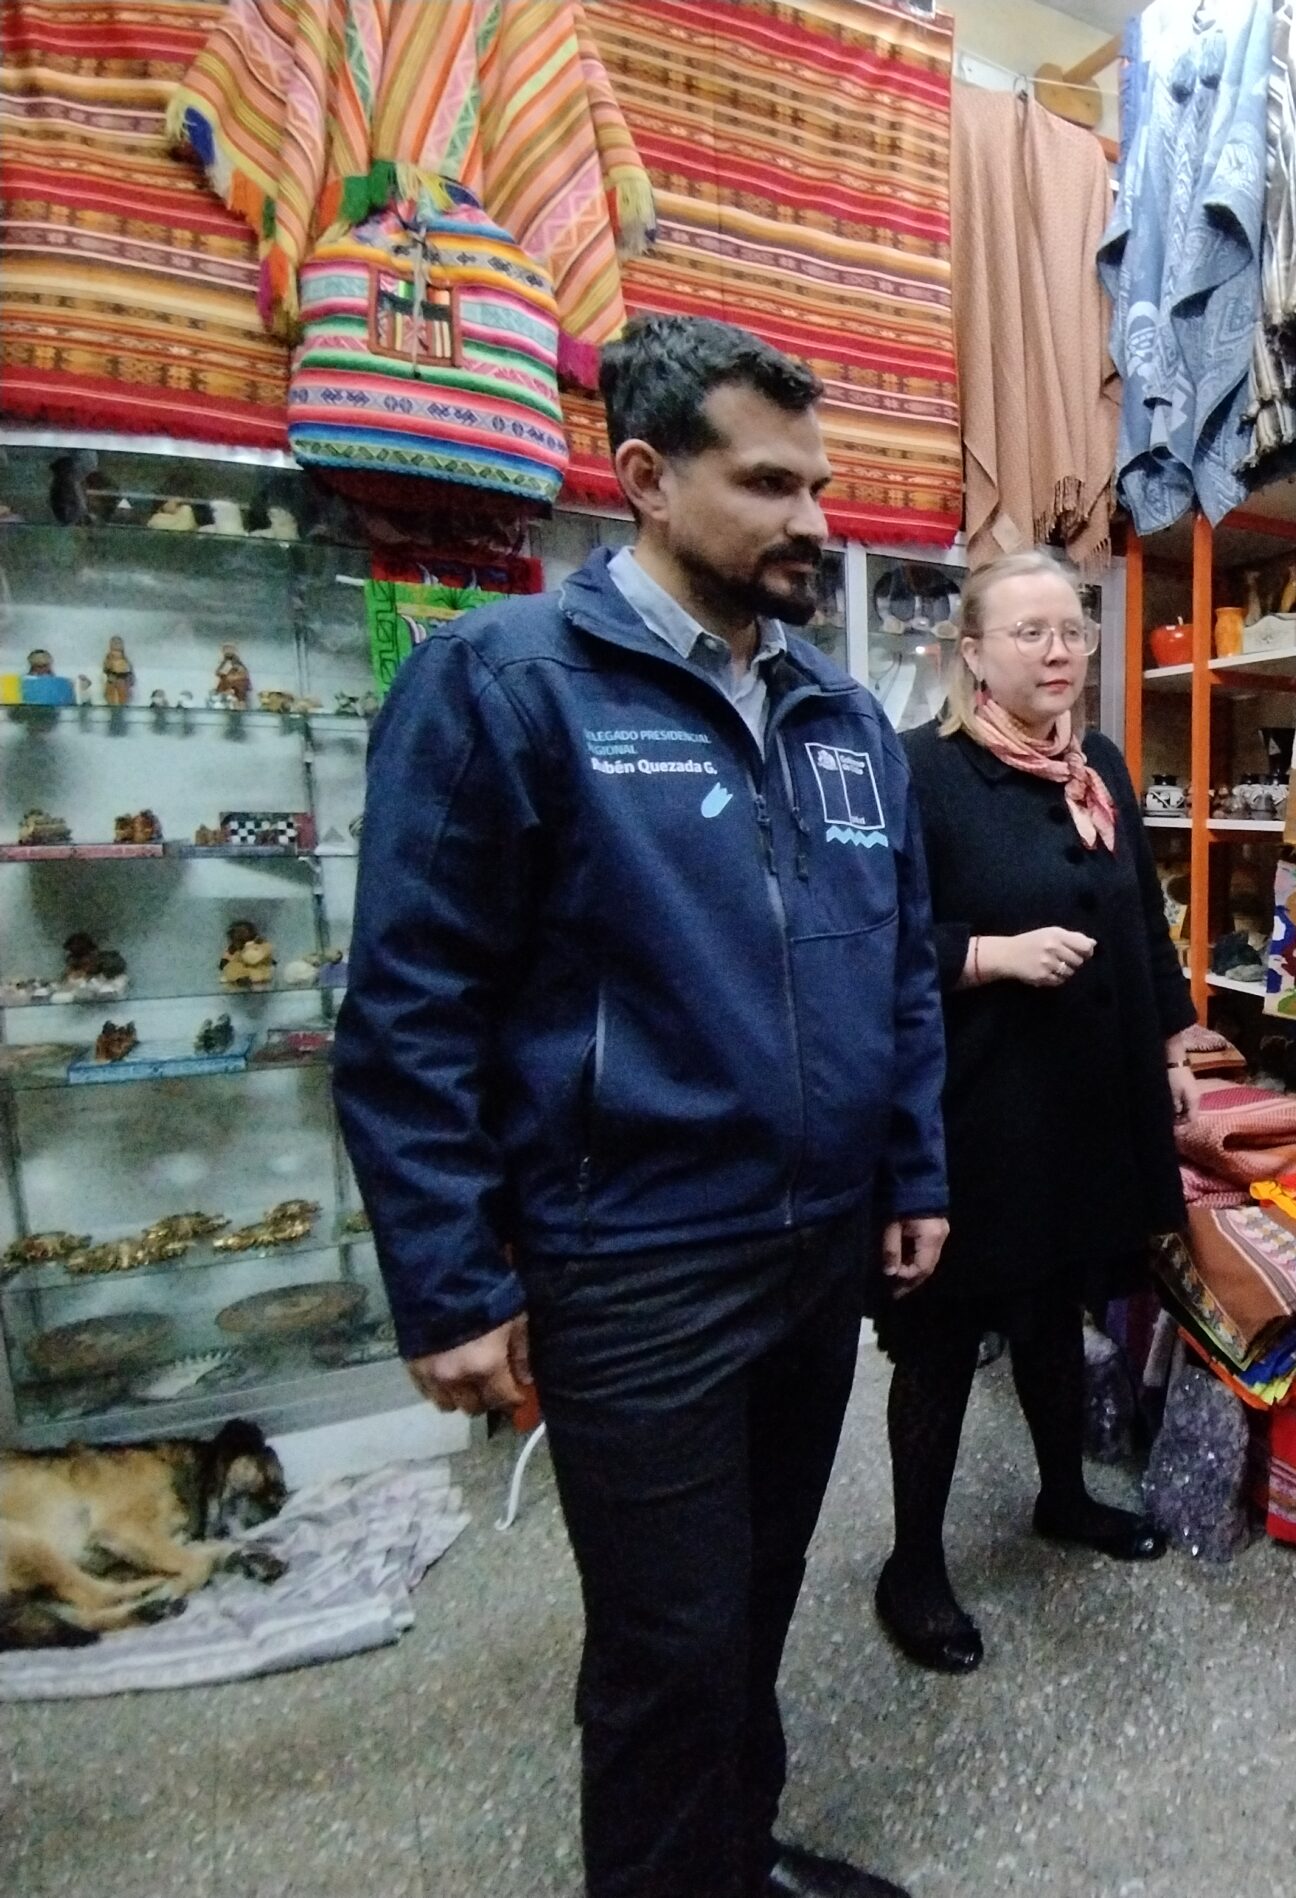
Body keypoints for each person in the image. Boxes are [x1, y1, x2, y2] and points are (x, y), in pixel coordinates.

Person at [333, 315, 948, 1898]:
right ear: (645, 480)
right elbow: (409, 1004)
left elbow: (892, 972)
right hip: (634, 1264)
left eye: (820, 483)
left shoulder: (843, 715)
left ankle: (728, 1862)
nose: (815, 518)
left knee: (751, 1603)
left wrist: (911, 1168)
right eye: (769, 483)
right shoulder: (501, 684)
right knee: (667, 1646)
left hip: (815, 1252)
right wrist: (454, 1281)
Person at [876, 548, 1193, 1673]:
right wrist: (988, 953)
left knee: (1060, 1310)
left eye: (1073, 629)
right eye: (1029, 633)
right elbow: (868, 941)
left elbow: (1141, 914)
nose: (1058, 652)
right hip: (974, 1105)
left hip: (1085, 1097)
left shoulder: (1096, 761)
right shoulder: (918, 771)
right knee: (945, 1341)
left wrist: (1170, 1038)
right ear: (971, 654)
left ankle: (1064, 1492)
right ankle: (912, 1562)